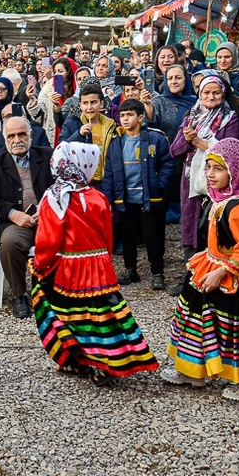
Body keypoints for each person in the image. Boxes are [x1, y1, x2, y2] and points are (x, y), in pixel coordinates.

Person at [164, 138, 239, 400]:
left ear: (236, 171)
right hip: (212, 265)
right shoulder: (222, 200)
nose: (210, 174)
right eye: (208, 167)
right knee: (197, 316)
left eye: (218, 169)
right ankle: (193, 371)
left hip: (236, 276)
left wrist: (222, 271)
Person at [30, 142, 159, 386]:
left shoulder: (54, 198)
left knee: (69, 315)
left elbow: (49, 239)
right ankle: (104, 360)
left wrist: (39, 264)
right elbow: (108, 237)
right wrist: (103, 259)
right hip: (99, 266)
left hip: (68, 269)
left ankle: (79, 358)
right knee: (103, 315)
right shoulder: (98, 197)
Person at [0, 116, 54, 318]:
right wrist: (14, 214)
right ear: (5, 139)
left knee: (64, 235)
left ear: (30, 135)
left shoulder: (49, 156)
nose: (17, 140)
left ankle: (49, 291)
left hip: (47, 219)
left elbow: (62, 187)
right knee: (9, 242)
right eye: (11, 136)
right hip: (15, 222)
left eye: (21, 134)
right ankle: (19, 295)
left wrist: (47, 209)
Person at [102, 99, 174, 290]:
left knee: (152, 236)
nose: (125, 119)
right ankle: (130, 269)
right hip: (125, 199)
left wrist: (159, 185)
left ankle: (157, 272)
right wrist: (109, 199)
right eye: (122, 115)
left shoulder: (155, 139)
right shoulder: (116, 143)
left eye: (130, 115)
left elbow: (167, 163)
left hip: (149, 197)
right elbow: (110, 172)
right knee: (128, 236)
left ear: (140, 117)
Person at [170, 74, 239, 265]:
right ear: (199, 94)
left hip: (220, 183)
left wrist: (200, 142)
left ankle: (215, 271)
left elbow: (231, 150)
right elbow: (174, 151)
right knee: (191, 224)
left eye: (216, 93)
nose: (211, 97)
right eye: (206, 92)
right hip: (191, 181)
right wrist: (186, 140)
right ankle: (192, 275)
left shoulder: (230, 119)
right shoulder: (191, 118)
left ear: (223, 94)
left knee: (214, 225)